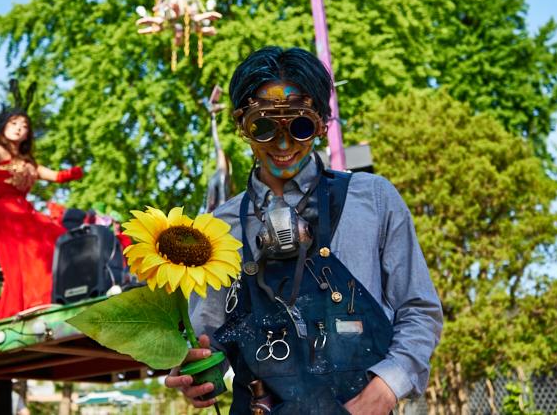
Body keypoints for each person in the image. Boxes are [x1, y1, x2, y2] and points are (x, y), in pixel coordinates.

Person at [165, 47, 443, 414]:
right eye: (264, 126)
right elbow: (210, 340)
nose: (283, 145)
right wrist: (197, 371)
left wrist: (385, 389)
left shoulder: (374, 201)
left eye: (300, 126)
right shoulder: (218, 228)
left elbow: (419, 309)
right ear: (240, 125)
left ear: (323, 124)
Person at [0, 109, 83, 319]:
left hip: (24, 212)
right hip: (5, 212)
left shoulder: (29, 161)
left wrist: (73, 173)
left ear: (28, 134)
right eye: (14, 123)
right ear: (3, 128)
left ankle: (50, 296)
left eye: (24, 125)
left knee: (58, 235)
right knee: (32, 247)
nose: (19, 128)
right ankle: (32, 301)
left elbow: (56, 176)